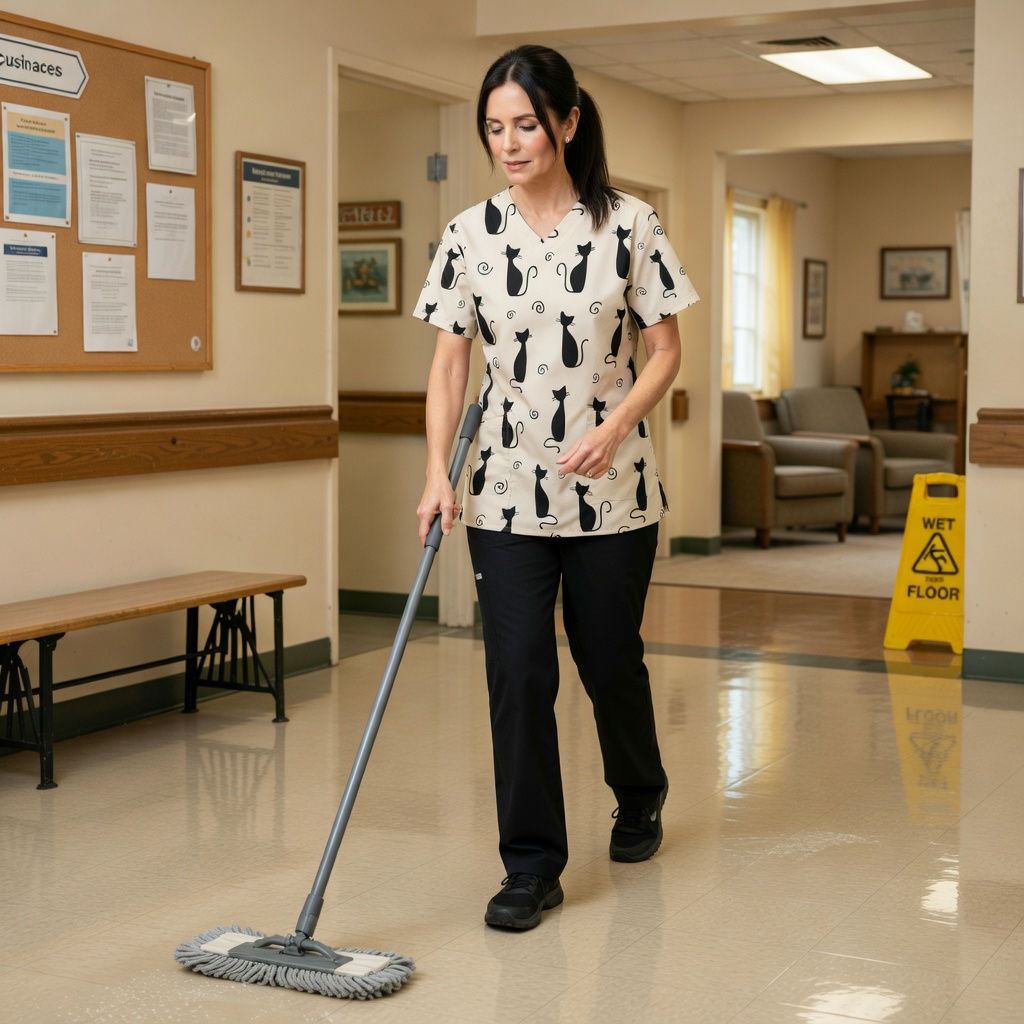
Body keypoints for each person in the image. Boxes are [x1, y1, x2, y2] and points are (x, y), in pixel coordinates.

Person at [413, 44, 699, 931]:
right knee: (518, 670)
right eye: (495, 128)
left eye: (526, 123)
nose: (510, 141)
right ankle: (531, 865)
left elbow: (666, 352)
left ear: (567, 123)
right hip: (502, 490)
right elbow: (449, 369)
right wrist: (436, 475)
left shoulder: (632, 225)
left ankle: (639, 791)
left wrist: (615, 427)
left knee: (606, 657)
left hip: (615, 491)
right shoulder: (468, 234)